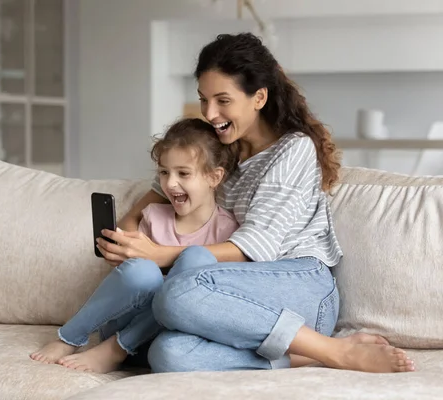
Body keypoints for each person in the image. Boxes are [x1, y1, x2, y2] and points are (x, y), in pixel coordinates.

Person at [96, 33, 415, 374]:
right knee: (168, 355)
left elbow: (254, 247)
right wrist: (127, 246)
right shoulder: (215, 150)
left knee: (177, 293)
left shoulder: (293, 150)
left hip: (300, 287)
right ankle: (302, 356)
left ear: (259, 97)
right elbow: (146, 205)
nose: (210, 113)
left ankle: (335, 351)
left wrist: (160, 256)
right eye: (204, 100)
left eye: (223, 100)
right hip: (232, 297)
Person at [30, 118, 240, 373]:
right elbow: (133, 280)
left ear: (214, 177)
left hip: (164, 341)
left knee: (196, 262)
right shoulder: (152, 216)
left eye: (183, 173)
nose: (171, 183)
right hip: (120, 324)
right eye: (164, 172)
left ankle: (116, 350)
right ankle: (68, 338)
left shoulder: (228, 233)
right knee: (143, 272)